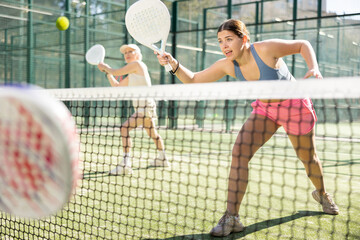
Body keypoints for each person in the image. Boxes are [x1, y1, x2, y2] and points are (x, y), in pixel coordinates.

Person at [156, 19, 339, 237]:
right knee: (239, 152)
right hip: (265, 110)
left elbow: (302, 45)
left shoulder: (265, 49)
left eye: (229, 39)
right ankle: (232, 217)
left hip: (294, 107)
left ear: (244, 39)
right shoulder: (227, 64)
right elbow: (194, 80)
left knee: (309, 159)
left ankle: (322, 194)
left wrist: (313, 68)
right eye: (220, 41)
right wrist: (172, 64)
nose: (224, 45)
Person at [98, 44, 169, 175]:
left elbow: (116, 72)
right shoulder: (132, 74)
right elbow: (117, 86)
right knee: (153, 134)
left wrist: (106, 68)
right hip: (146, 107)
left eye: (131, 51)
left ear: (137, 54)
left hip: (145, 107)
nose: (127, 54)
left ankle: (126, 164)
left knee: (124, 128)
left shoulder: (138, 65)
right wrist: (107, 73)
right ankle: (162, 158)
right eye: (125, 52)